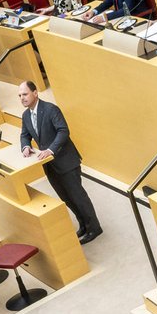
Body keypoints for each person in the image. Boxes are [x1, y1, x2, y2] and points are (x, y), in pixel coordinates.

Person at [16, 79, 101, 243]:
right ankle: (83, 224)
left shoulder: (50, 109)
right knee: (66, 198)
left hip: (66, 161)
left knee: (78, 196)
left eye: (25, 94)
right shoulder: (26, 115)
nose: (22, 98)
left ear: (35, 93)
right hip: (50, 166)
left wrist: (50, 150)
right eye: (19, 95)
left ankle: (94, 228)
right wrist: (25, 146)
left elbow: (63, 131)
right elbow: (24, 135)